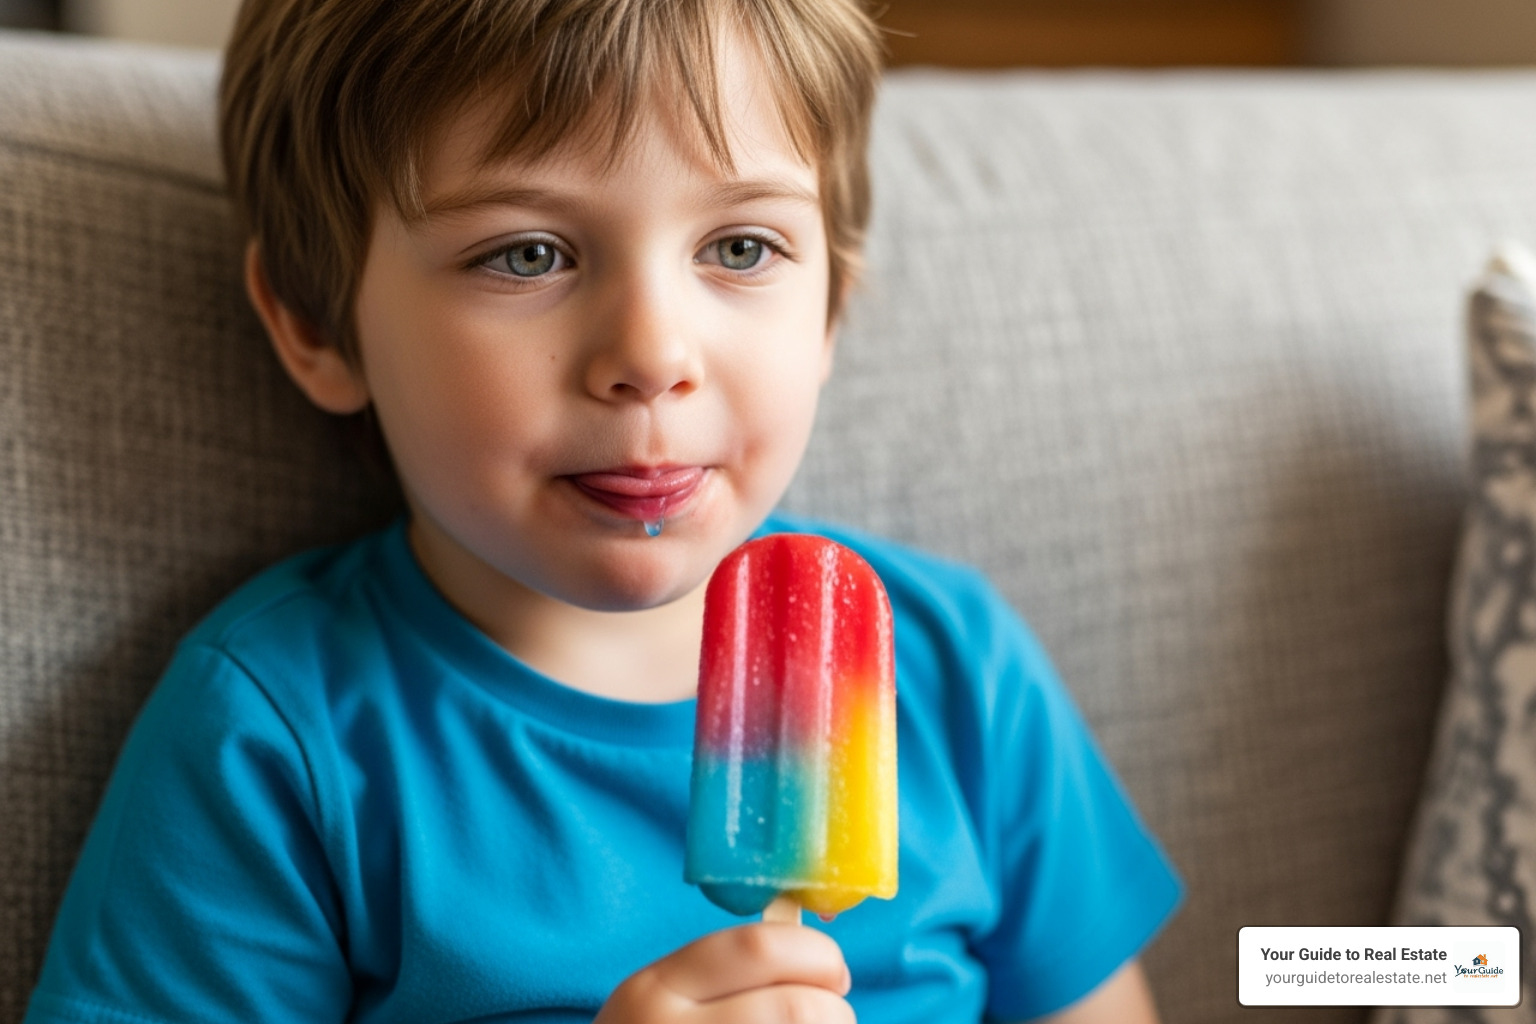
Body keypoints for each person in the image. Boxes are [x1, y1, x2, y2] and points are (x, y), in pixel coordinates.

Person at [24, 1, 1182, 1021]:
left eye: (741, 245)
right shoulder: (277, 735)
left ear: (833, 301)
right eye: (528, 253)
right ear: (317, 325)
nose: (651, 354)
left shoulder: (950, 671)